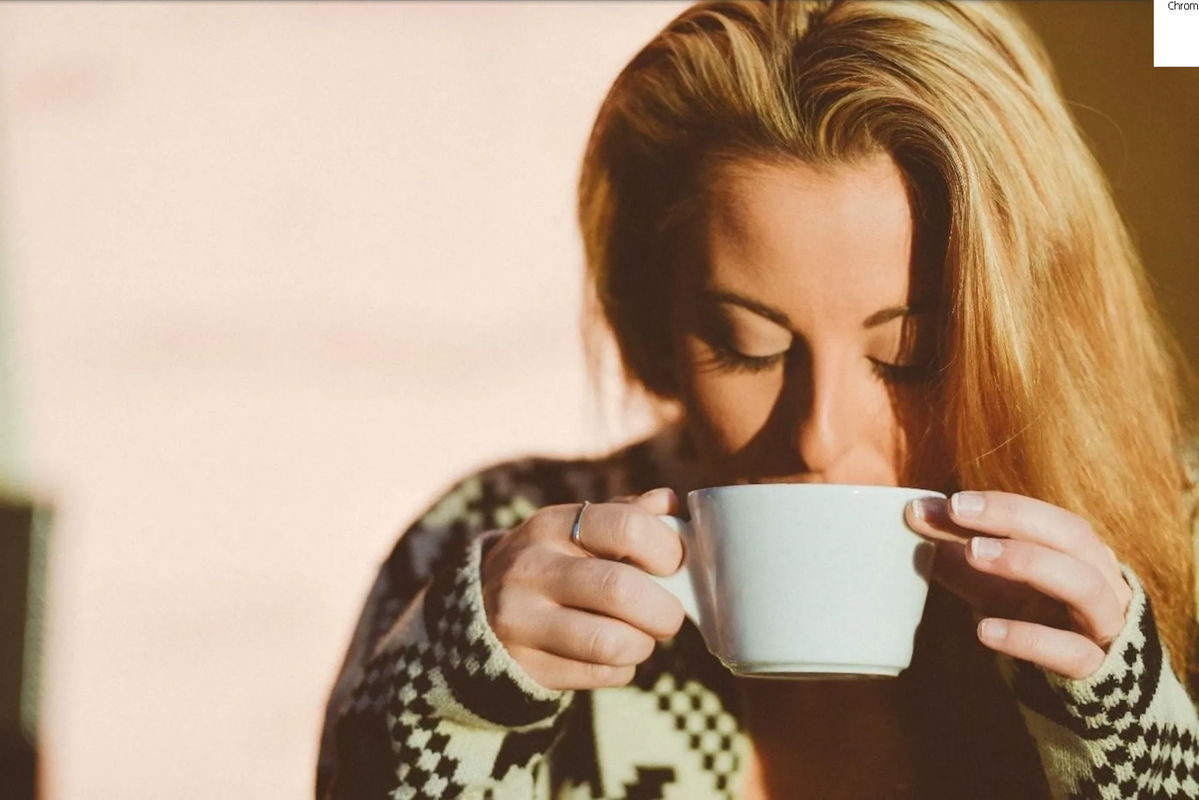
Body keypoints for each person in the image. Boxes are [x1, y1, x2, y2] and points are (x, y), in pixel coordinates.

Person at [316, 1, 1199, 797]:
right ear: (657, 324)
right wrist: (450, 715)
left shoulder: (1178, 556)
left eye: (909, 356)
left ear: (1034, 334)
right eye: (749, 347)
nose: (816, 437)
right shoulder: (492, 543)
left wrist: (1131, 738)